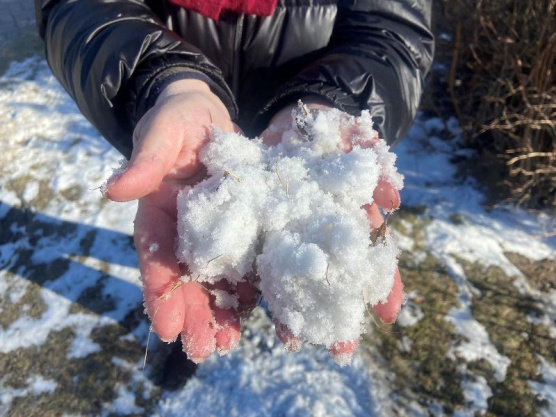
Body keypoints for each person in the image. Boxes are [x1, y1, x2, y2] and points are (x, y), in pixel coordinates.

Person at [34, 0, 434, 363]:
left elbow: (394, 30)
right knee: (183, 272)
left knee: (240, 276)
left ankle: (230, 300)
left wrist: (331, 104)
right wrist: (162, 79)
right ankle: (185, 339)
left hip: (297, 103)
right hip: (190, 130)